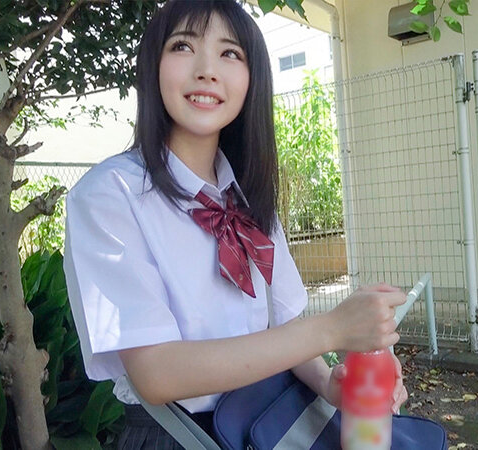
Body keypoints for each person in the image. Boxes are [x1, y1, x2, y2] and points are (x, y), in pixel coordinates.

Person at [63, 0, 408, 447]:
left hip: (267, 423)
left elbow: (282, 326)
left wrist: (329, 383)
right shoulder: (111, 195)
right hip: (180, 437)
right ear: (153, 67)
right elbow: (156, 374)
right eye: (183, 46)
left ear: (251, 79)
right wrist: (332, 328)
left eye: (230, 53)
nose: (207, 70)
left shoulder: (246, 194)